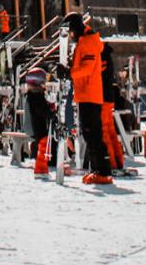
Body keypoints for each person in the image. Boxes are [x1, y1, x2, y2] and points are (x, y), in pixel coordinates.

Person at [63, 12, 112, 184]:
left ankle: (103, 171)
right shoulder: (84, 42)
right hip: (85, 94)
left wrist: (70, 72)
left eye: (70, 32)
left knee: (93, 134)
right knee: (89, 134)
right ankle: (98, 169)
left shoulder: (89, 42)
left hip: (90, 94)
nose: (70, 36)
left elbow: (87, 68)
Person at [22, 66, 53, 177]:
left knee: (43, 147)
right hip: (38, 126)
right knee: (43, 147)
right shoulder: (36, 96)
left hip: (37, 125)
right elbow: (41, 110)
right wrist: (50, 113)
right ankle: (40, 170)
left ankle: (42, 168)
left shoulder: (33, 96)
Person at [100, 40, 126, 172]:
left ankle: (111, 162)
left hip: (102, 97)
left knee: (104, 130)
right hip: (109, 97)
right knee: (110, 130)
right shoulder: (108, 57)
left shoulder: (102, 58)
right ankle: (118, 160)